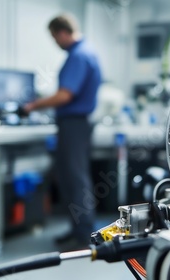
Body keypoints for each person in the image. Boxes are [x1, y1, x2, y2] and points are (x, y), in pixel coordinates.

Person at [24, 14, 102, 249]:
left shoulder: (78, 56)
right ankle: (79, 229)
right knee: (71, 177)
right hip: (77, 123)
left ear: (62, 32)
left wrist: (33, 105)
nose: (55, 42)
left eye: (54, 37)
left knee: (75, 178)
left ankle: (84, 234)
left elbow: (65, 95)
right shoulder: (86, 52)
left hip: (73, 124)